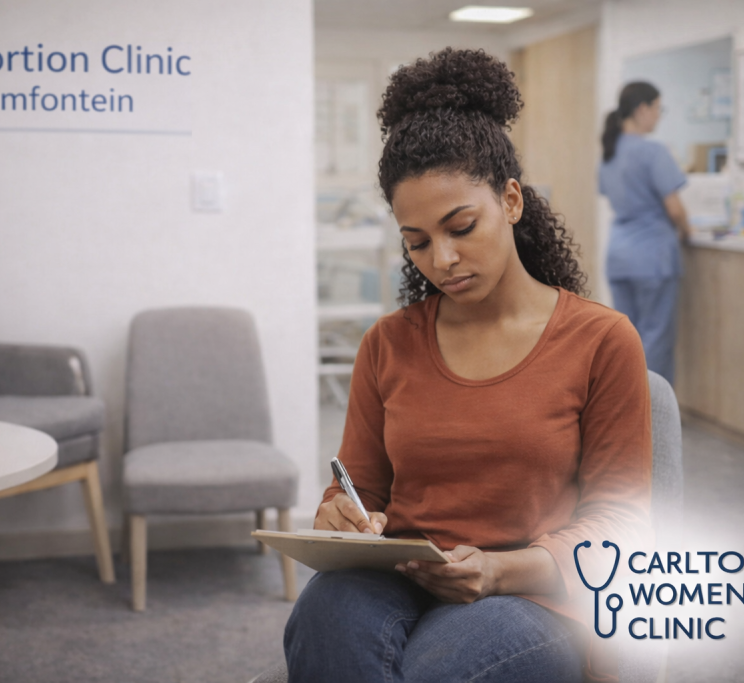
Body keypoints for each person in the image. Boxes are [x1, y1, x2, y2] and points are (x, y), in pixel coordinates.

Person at [283, 49, 653, 683]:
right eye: (418, 242)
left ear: (510, 200)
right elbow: (361, 489)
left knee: (442, 669)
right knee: (321, 616)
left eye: (461, 227)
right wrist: (338, 518)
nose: (442, 259)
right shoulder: (387, 344)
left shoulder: (600, 340)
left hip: (530, 593)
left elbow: (620, 523)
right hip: (399, 576)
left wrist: (498, 570)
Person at [599, 81, 691, 385]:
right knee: (655, 340)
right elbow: (675, 209)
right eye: (657, 109)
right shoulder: (653, 151)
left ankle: (627, 414)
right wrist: (687, 231)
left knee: (628, 341)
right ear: (642, 109)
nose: (658, 116)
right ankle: (654, 419)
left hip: (620, 256)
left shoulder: (610, 152)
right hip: (653, 256)